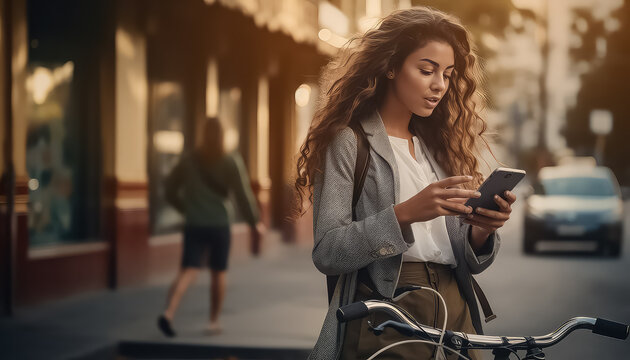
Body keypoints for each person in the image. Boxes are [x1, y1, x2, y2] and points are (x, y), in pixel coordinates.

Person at [295, 7, 517, 360]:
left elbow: (462, 256)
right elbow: (328, 252)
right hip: (387, 309)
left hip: (456, 306)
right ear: (391, 66)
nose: (439, 85)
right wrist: (404, 214)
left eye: (447, 74)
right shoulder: (350, 142)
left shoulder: (440, 147)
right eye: (426, 70)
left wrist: (481, 231)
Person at [158, 117, 264, 337]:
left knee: (188, 270)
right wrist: (255, 223)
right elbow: (243, 195)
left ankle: (168, 313)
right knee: (218, 272)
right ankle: (213, 321)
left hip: (194, 223)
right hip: (219, 224)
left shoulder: (188, 160)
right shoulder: (230, 160)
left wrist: (186, 207)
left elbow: (169, 189)